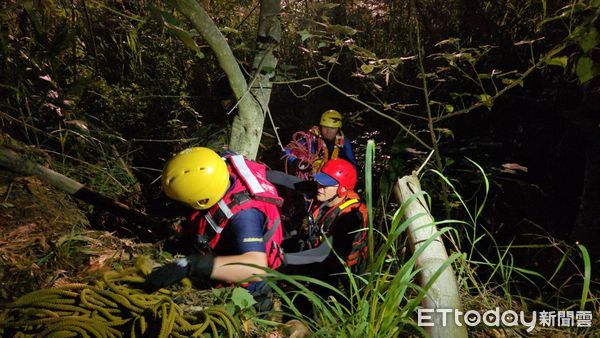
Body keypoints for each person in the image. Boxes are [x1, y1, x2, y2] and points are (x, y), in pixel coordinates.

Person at [145, 147, 284, 293]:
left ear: (203, 200)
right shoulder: (215, 169)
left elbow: (256, 268)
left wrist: (193, 265)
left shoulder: (244, 218)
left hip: (248, 285)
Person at [282, 158, 368, 310]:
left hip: (338, 273)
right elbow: (286, 180)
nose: (319, 186)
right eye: (320, 181)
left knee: (323, 308)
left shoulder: (350, 218)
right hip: (317, 257)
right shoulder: (326, 193)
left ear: (342, 188)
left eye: (326, 184)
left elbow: (322, 253)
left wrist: (282, 258)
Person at [283, 110, 356, 178]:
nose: (328, 132)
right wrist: (296, 161)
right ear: (320, 127)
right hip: (311, 176)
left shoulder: (344, 142)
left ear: (338, 129)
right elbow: (287, 150)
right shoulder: (311, 138)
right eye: (325, 127)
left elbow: (352, 164)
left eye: (332, 128)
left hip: (333, 178)